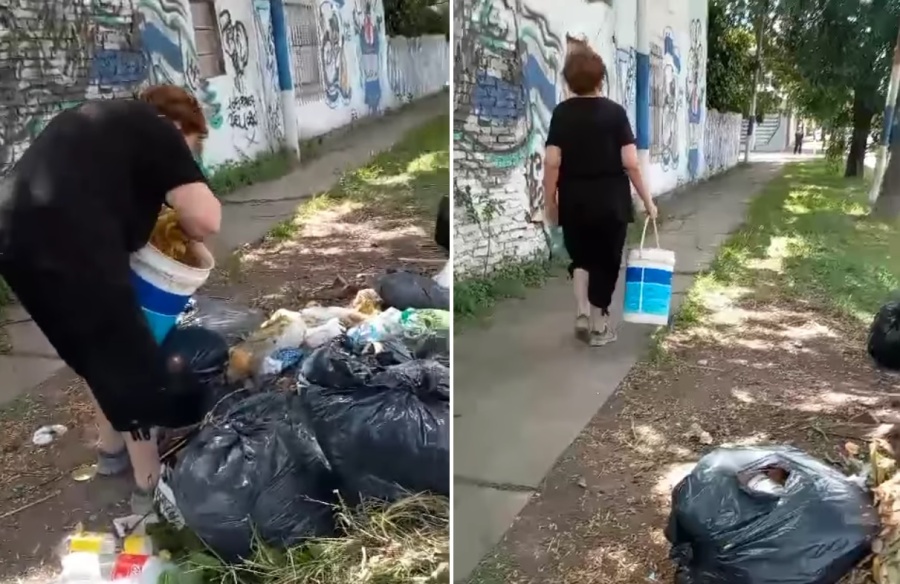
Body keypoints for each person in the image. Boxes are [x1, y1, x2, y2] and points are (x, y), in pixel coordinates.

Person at [0, 85, 222, 512]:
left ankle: (110, 451)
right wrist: (185, 214)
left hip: (13, 238)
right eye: (194, 146)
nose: (191, 158)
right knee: (127, 358)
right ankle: (150, 487)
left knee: (94, 352)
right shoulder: (160, 132)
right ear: (182, 128)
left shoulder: (102, 126)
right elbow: (206, 219)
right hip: (68, 238)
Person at [543, 48, 657, 347]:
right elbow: (631, 162)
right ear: (600, 78)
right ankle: (598, 327)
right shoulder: (615, 113)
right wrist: (647, 200)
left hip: (574, 200)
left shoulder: (561, 114)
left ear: (569, 81)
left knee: (581, 257)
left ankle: (582, 311)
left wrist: (549, 201)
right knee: (606, 262)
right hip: (611, 203)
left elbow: (552, 162)